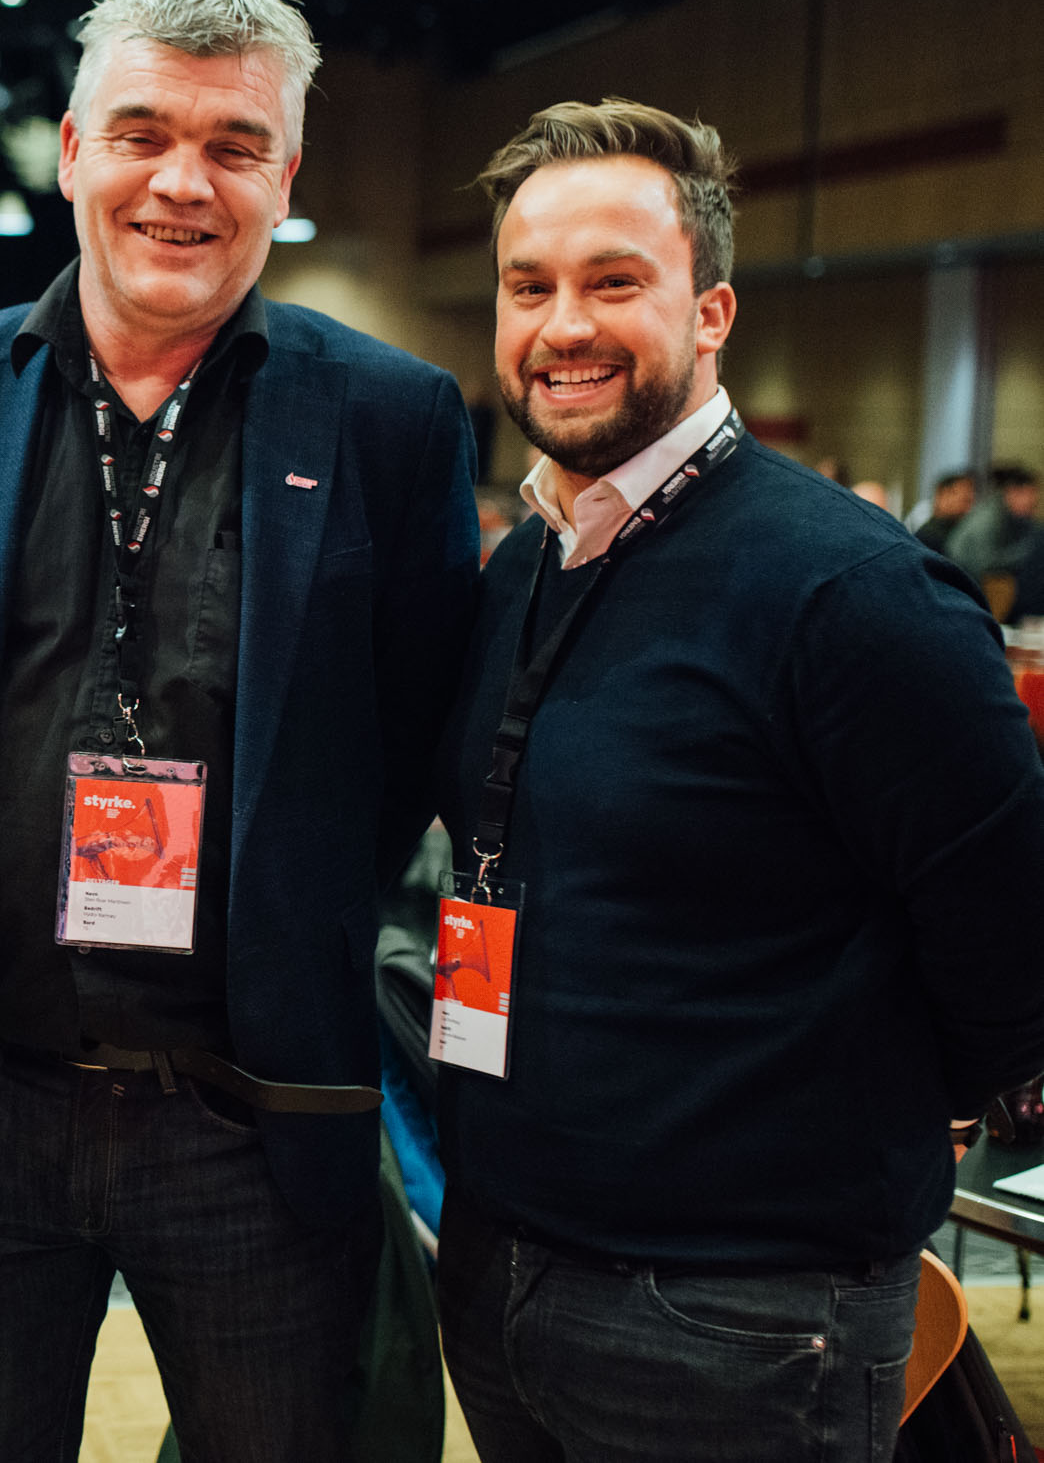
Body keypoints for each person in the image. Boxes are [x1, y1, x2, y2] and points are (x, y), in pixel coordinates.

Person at [0, 0, 479, 1462]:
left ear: (287, 177)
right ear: (70, 150)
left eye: (234, 145)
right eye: (141, 132)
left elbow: (405, 743)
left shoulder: (392, 420)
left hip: (253, 1119)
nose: (182, 182)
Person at [431, 98, 1044, 1462]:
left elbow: (1011, 950)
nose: (561, 325)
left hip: (744, 1319)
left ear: (710, 312)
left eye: (613, 283)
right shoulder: (525, 564)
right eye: (528, 287)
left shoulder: (855, 593)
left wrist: (820, 1113)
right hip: (502, 1270)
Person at [947, 463, 1038, 580]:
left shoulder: (1003, 514)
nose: (1033, 501)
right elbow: (985, 565)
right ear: (1012, 492)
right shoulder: (989, 518)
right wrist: (1028, 551)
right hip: (962, 582)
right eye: (1028, 494)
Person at [915, 469, 976, 552]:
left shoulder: (961, 532)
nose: (969, 508)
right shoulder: (928, 536)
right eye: (965, 500)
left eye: (971, 501)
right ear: (943, 494)